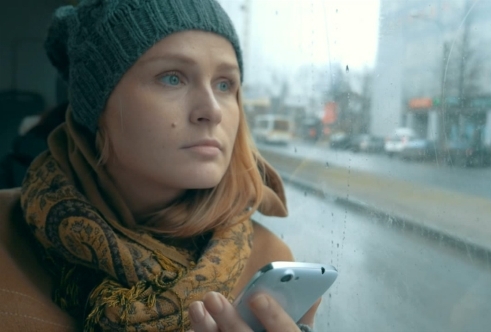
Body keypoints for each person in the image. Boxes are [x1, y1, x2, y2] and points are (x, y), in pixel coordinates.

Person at [0, 0, 320, 331]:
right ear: (96, 108)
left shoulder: (266, 261)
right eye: (172, 78)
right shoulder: (6, 238)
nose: (213, 110)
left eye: (225, 84)